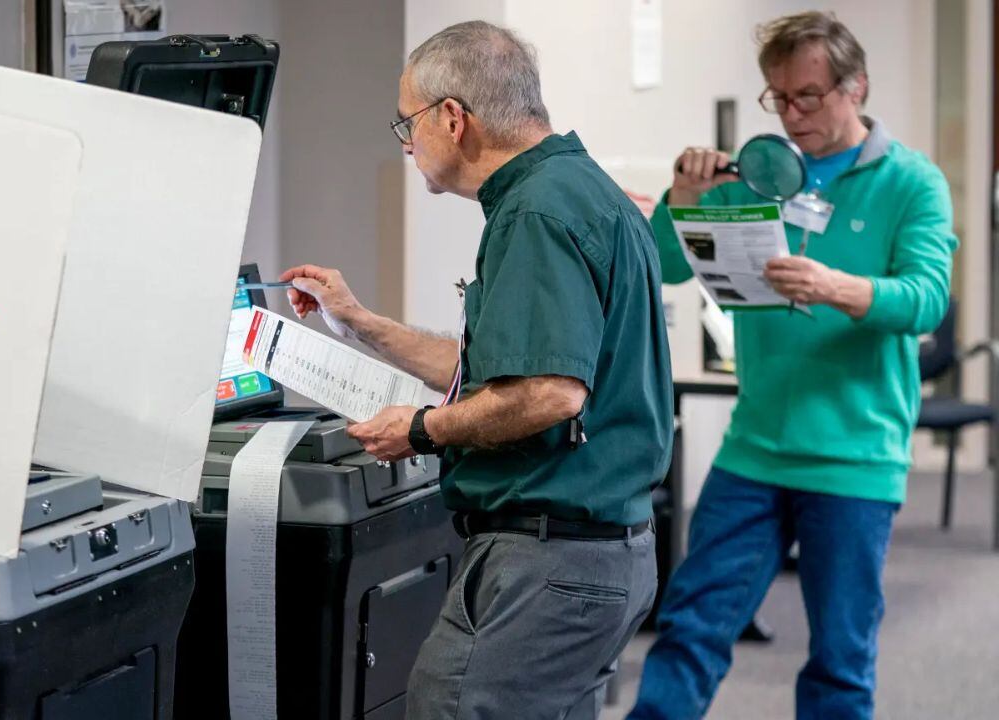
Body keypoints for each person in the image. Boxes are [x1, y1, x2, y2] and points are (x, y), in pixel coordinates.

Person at [279, 20, 673, 720]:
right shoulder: (575, 189)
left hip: (553, 560)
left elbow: (549, 392)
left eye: (408, 126)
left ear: (452, 118)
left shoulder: (536, 213)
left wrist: (424, 430)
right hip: (595, 555)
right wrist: (361, 323)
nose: (408, 145)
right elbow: (502, 369)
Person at [628, 12, 957, 720]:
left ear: (856, 87)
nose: (793, 113)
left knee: (839, 661)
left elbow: (928, 300)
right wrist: (682, 200)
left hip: (855, 457)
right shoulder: (756, 173)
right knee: (690, 629)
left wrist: (832, 286)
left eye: (808, 95)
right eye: (777, 98)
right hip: (755, 450)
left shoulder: (911, 183)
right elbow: (660, 266)